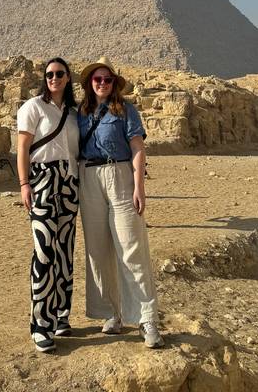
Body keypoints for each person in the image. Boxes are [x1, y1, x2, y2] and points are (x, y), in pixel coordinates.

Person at [77, 57, 164, 349]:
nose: (102, 83)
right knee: (98, 251)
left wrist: (139, 186)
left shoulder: (126, 111)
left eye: (107, 79)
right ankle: (111, 313)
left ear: (115, 83)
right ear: (90, 83)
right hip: (89, 178)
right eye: (97, 79)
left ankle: (146, 318)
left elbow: (138, 148)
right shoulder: (80, 112)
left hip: (121, 176)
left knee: (131, 248)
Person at [17, 57, 80, 353]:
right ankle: (40, 324)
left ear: (68, 78)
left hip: (69, 183)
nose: (53, 78)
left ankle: (61, 315)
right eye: (49, 74)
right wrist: (24, 184)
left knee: (65, 250)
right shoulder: (33, 107)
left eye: (59, 74)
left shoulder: (73, 113)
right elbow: (23, 148)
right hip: (42, 181)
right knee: (44, 252)